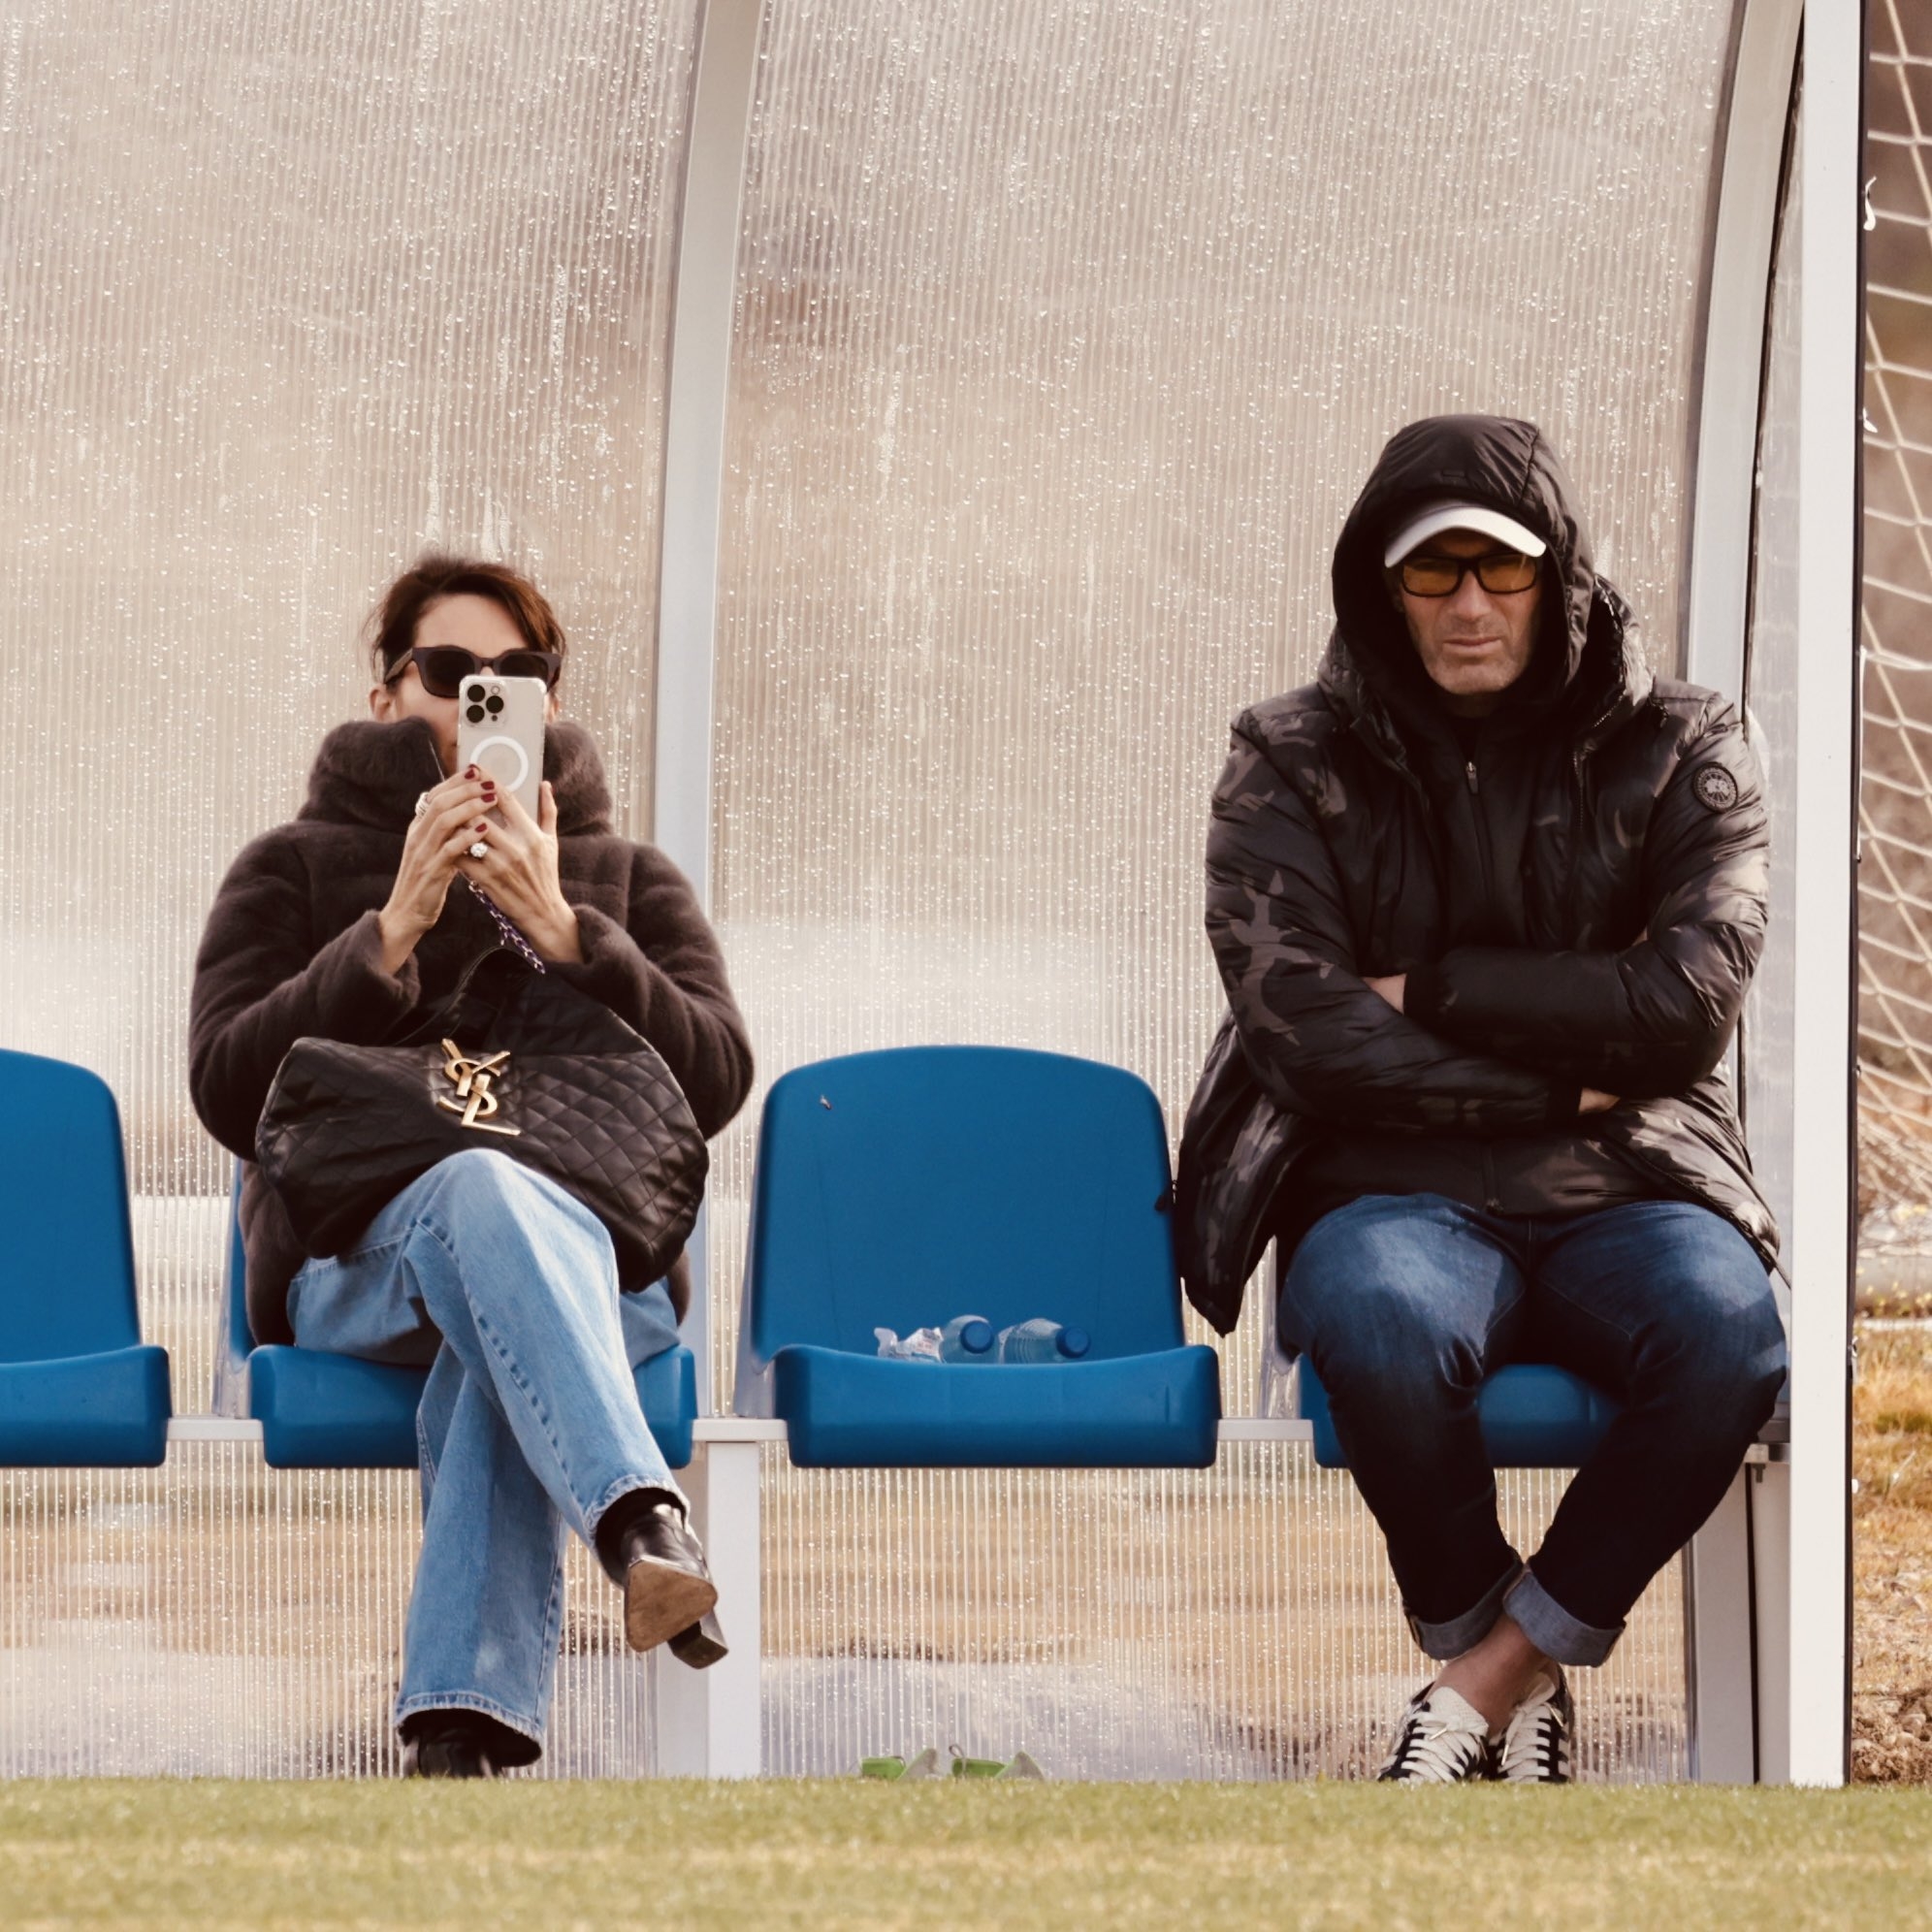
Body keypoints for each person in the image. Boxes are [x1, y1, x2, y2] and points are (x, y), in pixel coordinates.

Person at [1176, 414, 1787, 1784]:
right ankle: (1507, 1674)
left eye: (1500, 569)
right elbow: (1306, 1033)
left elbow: (1684, 1009)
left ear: (1557, 575)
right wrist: (1570, 1072)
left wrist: (1434, 988)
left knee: (1731, 1333)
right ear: (1381, 586)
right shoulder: (1285, 756)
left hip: (1634, 1182)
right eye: (1431, 572)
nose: (1467, 605)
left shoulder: (1690, 743)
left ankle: (1485, 1683)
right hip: (1391, 1194)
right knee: (1381, 1320)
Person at [189, 555, 753, 1778]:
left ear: (550, 698)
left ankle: (461, 1737)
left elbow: (713, 1083)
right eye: (450, 670)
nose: (479, 695)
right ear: (388, 693)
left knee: (499, 1327)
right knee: (483, 1187)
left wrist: (571, 934)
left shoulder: (627, 878)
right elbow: (228, 1090)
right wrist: (390, 927)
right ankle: (637, 1515)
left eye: (516, 673)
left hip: (598, 1280)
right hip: (359, 1268)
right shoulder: (290, 865)